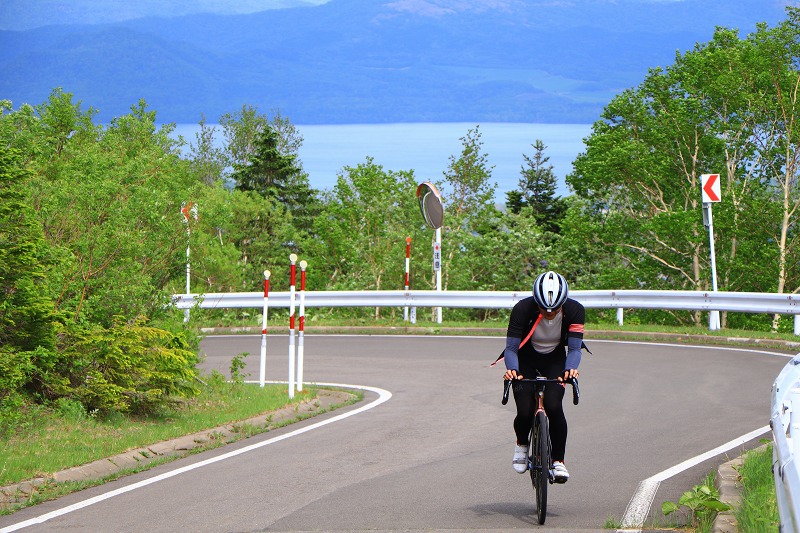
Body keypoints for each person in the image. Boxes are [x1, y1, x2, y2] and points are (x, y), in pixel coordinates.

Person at [502, 270, 585, 483]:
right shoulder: (522, 308)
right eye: (543, 308)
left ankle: (559, 461)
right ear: (535, 301)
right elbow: (511, 348)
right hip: (525, 358)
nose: (549, 313)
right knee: (525, 409)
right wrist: (512, 369)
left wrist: (570, 369)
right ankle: (522, 444)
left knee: (554, 406)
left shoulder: (575, 310)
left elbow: (575, 349)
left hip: (555, 359)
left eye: (555, 309)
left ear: (563, 302)